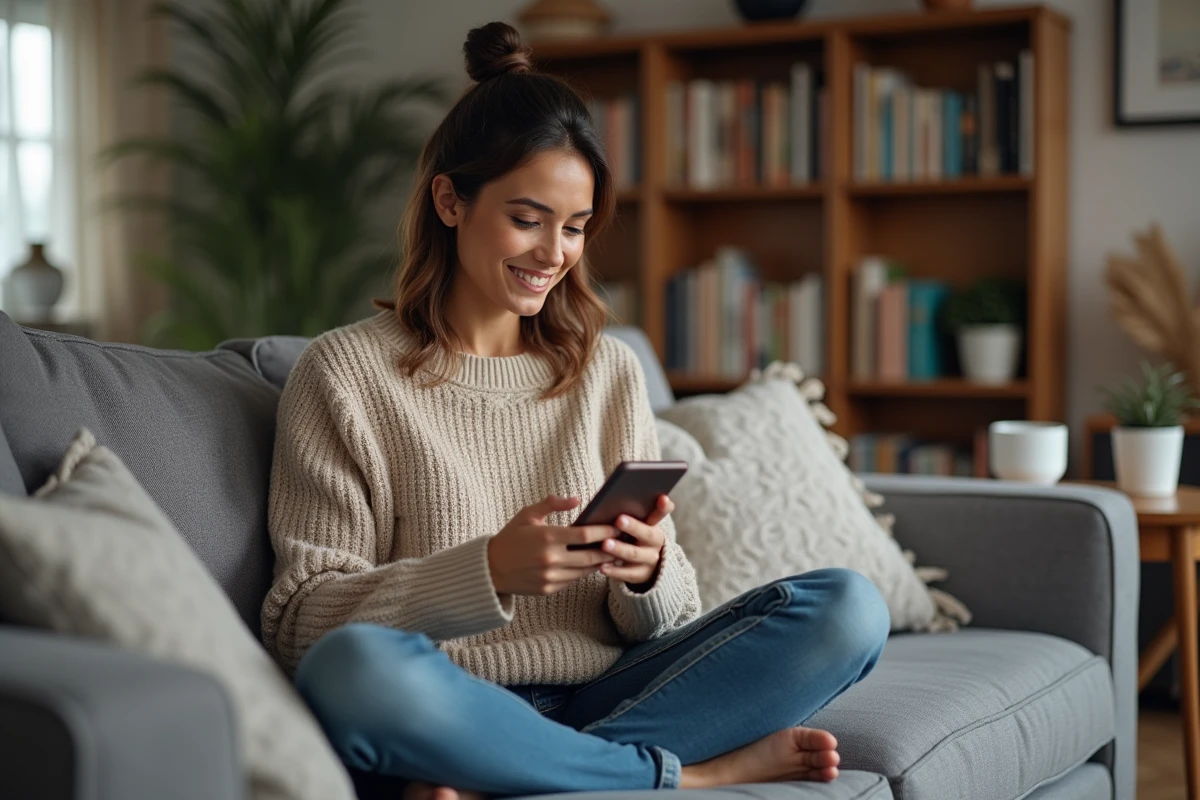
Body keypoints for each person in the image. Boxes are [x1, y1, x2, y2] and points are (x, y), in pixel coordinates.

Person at [261, 20, 890, 800]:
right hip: (450, 701)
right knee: (353, 669)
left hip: (609, 692)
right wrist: (485, 569)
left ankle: (511, 774)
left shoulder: (606, 370)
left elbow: (668, 619)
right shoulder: (344, 376)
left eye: (575, 227)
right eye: (527, 218)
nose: (553, 253)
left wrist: (649, 568)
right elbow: (300, 625)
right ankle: (678, 778)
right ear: (450, 201)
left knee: (848, 609)